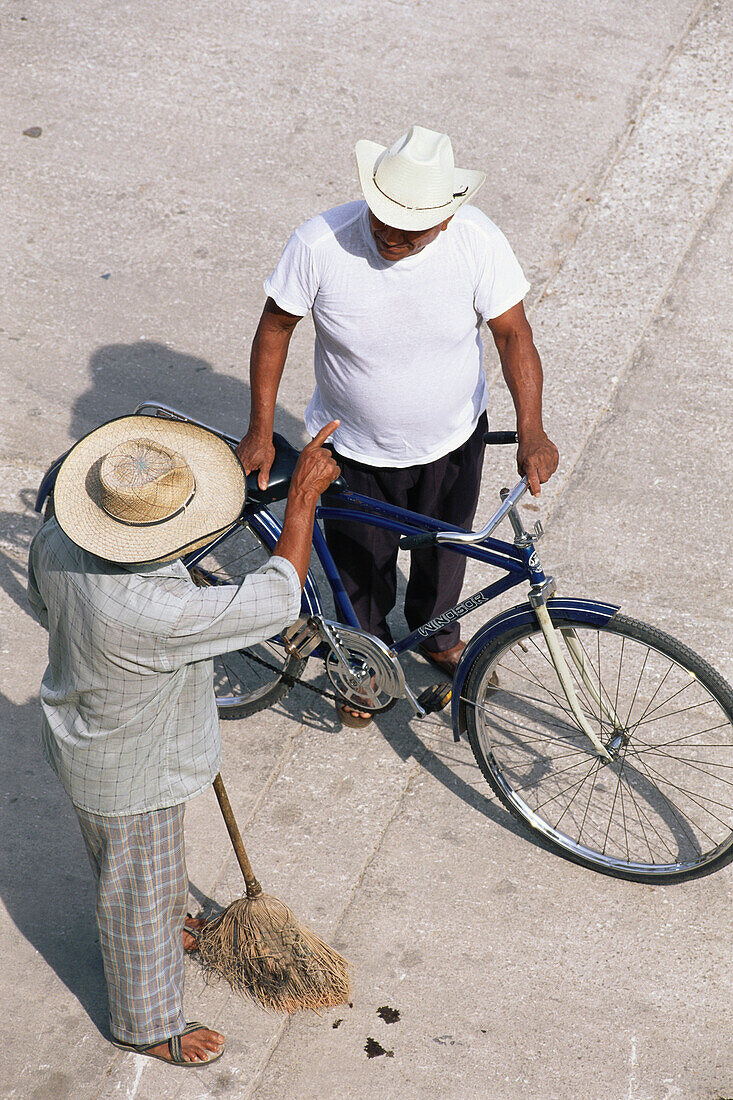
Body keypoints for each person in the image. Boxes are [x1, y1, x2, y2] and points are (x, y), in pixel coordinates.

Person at [27, 414, 340, 1067]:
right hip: (133, 769)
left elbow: (43, 603)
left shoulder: (56, 538)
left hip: (87, 735)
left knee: (140, 870)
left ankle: (165, 921)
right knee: (135, 887)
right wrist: (303, 498)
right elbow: (279, 598)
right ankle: (145, 1022)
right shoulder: (154, 612)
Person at [236, 125, 558, 725]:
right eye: (383, 218)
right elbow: (275, 329)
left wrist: (532, 429)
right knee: (360, 569)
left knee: (448, 549)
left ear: (445, 218)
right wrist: (259, 429)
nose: (389, 235)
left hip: (454, 442)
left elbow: (514, 333)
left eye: (409, 230)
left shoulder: (477, 242)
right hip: (354, 451)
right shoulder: (319, 243)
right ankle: (363, 664)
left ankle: (437, 638)